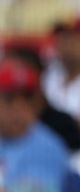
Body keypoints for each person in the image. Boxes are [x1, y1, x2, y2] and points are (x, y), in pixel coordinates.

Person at [0, 58, 71, 191]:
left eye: (27, 99)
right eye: (10, 99)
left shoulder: (49, 148)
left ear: (39, 103)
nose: (19, 108)